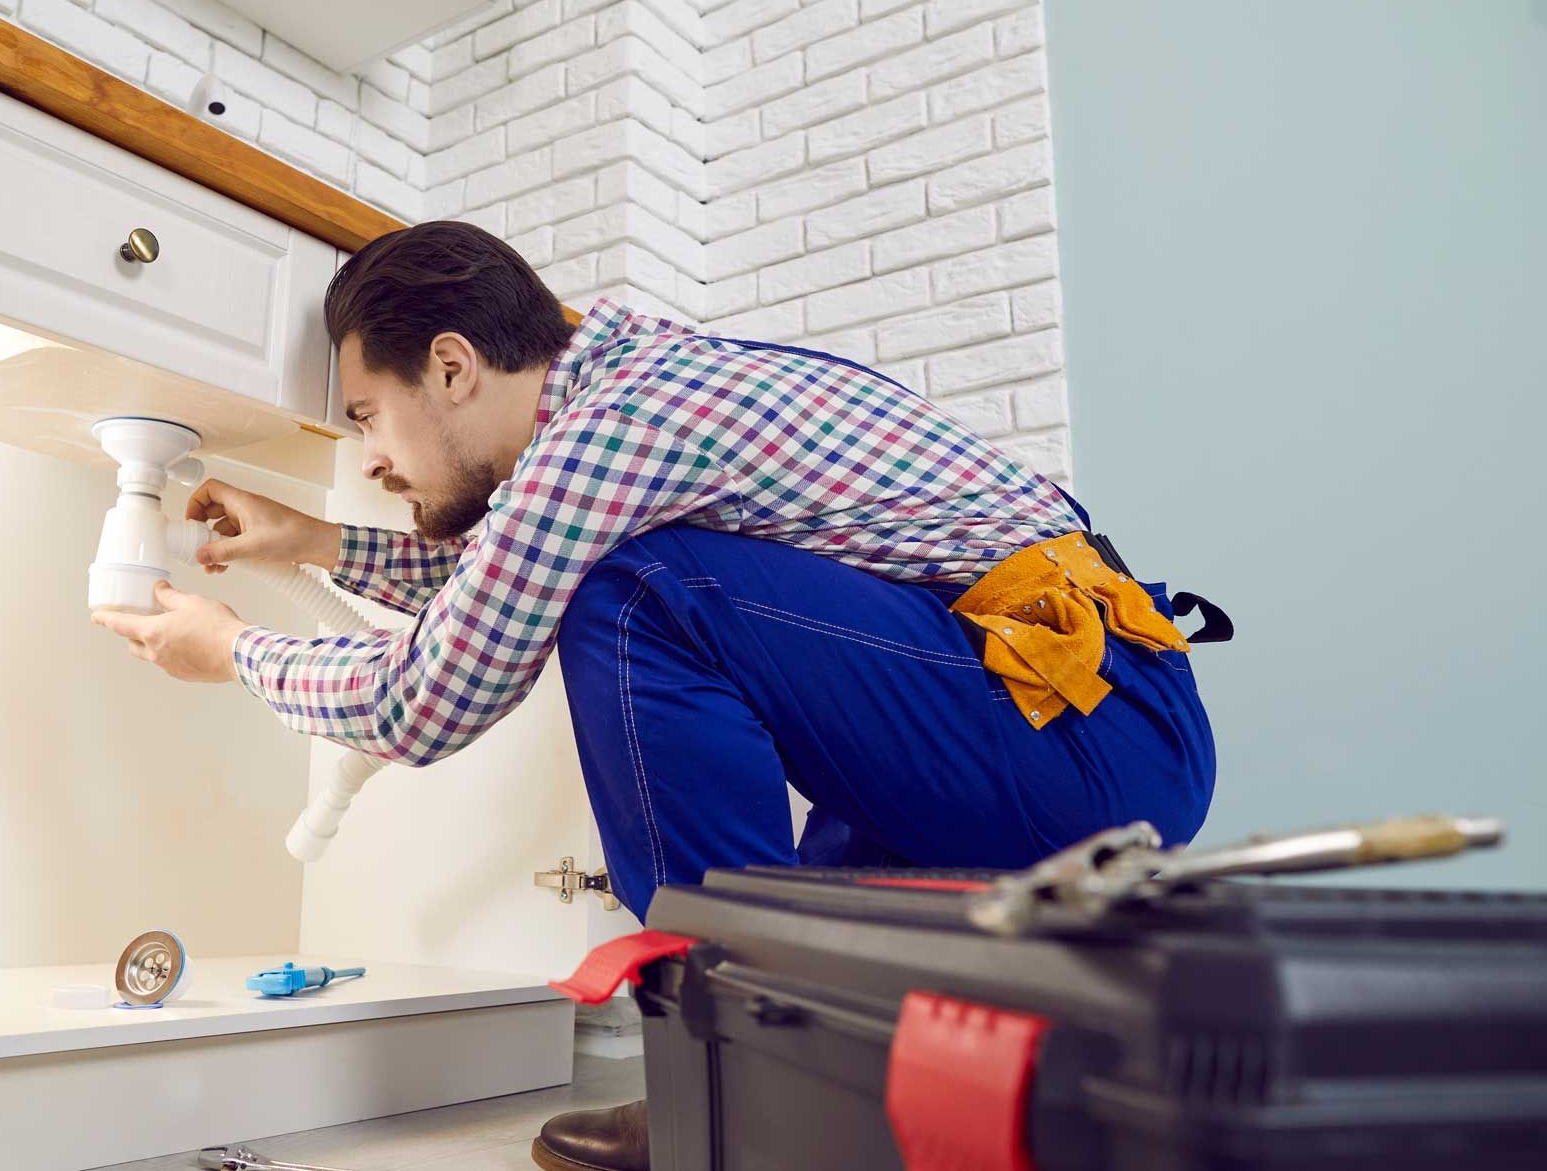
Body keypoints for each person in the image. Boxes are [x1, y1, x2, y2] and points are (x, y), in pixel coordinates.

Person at [91, 221, 1220, 1171]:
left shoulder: (617, 426)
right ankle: (770, 1090)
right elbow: (523, 564)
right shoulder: (631, 398)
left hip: (1081, 721)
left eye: (367, 417)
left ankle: (720, 1089)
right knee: (792, 913)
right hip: (1066, 715)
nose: (373, 456)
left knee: (634, 598)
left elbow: (420, 702)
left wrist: (235, 648)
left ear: (450, 366)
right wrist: (321, 539)